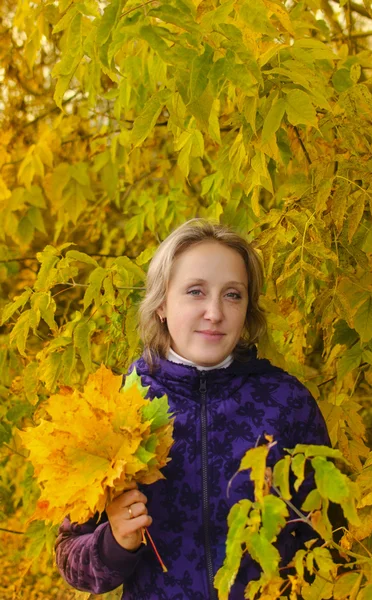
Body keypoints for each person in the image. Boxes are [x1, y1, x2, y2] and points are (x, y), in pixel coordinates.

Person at [55, 218, 331, 599]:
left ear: (248, 309)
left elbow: (332, 539)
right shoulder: (115, 407)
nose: (215, 313)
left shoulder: (287, 403)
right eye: (196, 291)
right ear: (162, 304)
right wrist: (116, 540)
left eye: (233, 294)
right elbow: (73, 562)